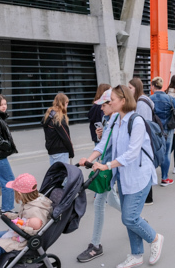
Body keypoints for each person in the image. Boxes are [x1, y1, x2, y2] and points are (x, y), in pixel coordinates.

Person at [91, 85, 164, 268]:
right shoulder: (115, 119)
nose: (109, 103)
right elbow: (104, 144)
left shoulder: (137, 121)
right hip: (123, 177)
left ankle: (155, 238)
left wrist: (106, 165)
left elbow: (132, 154)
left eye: (112, 100)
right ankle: (137, 255)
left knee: (129, 218)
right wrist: (88, 158)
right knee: (130, 216)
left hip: (139, 176)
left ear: (123, 101)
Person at [77, 89, 122, 262]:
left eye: (104, 104)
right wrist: (89, 160)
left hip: (111, 167)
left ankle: (95, 245)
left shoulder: (121, 120)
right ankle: (136, 220)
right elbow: (104, 143)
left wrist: (92, 161)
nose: (101, 108)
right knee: (111, 200)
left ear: (114, 103)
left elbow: (108, 146)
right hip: (107, 166)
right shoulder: (110, 119)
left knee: (99, 203)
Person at [0, 173, 52, 268]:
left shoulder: (36, 210)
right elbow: (22, 218)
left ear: (19, 193)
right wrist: (12, 216)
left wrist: (22, 228)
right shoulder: (30, 202)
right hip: (17, 233)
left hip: (24, 240)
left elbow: (36, 230)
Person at [129, 77, 155, 205]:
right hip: (145, 138)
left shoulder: (141, 102)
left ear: (136, 88)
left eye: (130, 88)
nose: (128, 90)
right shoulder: (142, 100)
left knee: (145, 166)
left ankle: (148, 196)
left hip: (144, 139)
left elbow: (142, 122)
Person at [150, 77, 175, 186]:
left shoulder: (150, 98)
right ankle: (164, 178)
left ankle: (151, 177)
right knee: (166, 153)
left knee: (153, 152)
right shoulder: (170, 98)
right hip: (168, 128)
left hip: (154, 129)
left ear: (153, 86)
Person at [41, 93, 74, 165]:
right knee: (62, 175)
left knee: (55, 175)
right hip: (61, 151)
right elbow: (66, 137)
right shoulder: (59, 118)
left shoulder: (48, 116)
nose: (67, 105)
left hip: (52, 151)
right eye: (67, 103)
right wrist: (71, 152)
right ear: (63, 103)